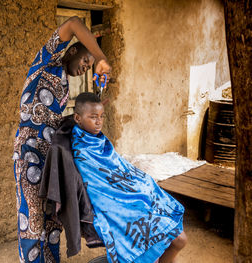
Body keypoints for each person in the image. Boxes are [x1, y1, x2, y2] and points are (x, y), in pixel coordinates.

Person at [12, 17, 111, 262]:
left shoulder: (65, 87)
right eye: (86, 61)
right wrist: (100, 57)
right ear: (74, 49)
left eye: (89, 66)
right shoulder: (47, 62)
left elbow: (55, 121)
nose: (85, 68)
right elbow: (74, 22)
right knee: (33, 221)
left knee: (52, 223)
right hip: (30, 152)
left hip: (51, 159)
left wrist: (89, 116)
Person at [71, 92, 187, 263]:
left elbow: (117, 167)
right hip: (117, 206)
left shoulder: (97, 140)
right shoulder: (82, 150)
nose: (99, 122)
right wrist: (131, 194)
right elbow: (100, 187)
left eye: (102, 116)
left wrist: (139, 184)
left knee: (177, 239)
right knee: (171, 244)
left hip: (129, 195)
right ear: (77, 118)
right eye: (93, 117)